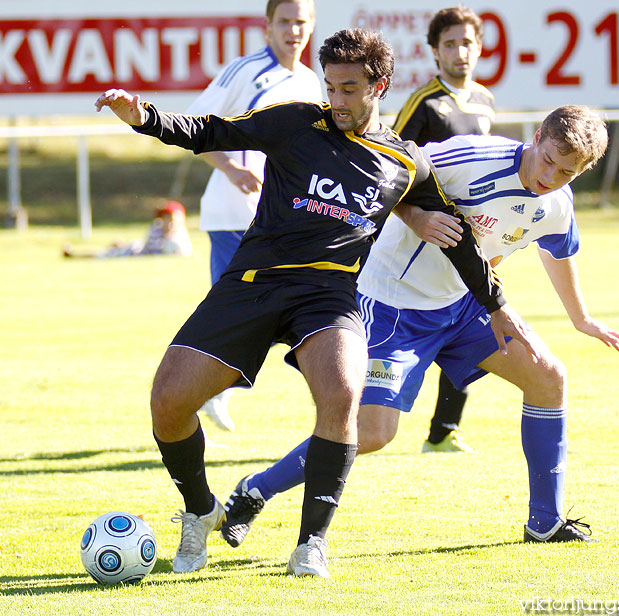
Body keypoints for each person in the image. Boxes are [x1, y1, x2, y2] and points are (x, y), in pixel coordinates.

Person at [95, 28, 536, 578]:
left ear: (381, 85)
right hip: (253, 281)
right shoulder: (296, 120)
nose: (337, 100)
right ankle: (200, 509)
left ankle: (310, 545)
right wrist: (145, 118)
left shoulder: (407, 163)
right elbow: (211, 130)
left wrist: (496, 305)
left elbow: (458, 237)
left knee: (343, 393)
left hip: (327, 295)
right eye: (330, 86)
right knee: (168, 400)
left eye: (349, 88)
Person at [220, 105, 619, 549]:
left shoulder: (556, 203)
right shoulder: (468, 158)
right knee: (374, 433)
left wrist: (581, 318)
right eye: (548, 159)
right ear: (536, 137)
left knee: (549, 377)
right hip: (393, 307)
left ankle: (545, 522)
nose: (551, 176)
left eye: (568, 172)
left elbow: (558, 249)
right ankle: (254, 491)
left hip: (466, 306)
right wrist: (416, 217)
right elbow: (384, 171)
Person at [188, 0, 322, 432]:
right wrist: (230, 167)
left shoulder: (311, 82)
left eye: (301, 21)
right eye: (284, 21)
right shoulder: (244, 71)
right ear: (267, 27)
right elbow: (195, 123)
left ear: (312, 25)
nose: (293, 29)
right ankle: (200, 390)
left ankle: (214, 390)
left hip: (283, 221)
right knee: (238, 314)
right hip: (233, 215)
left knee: (270, 313)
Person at [392, 5, 495, 453]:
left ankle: (442, 432)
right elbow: (391, 163)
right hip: (421, 235)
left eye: (466, 42)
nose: (459, 51)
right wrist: (414, 217)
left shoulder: (486, 100)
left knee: (476, 328)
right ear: (435, 51)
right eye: (449, 43)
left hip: (470, 236)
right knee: (419, 328)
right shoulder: (425, 101)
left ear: (479, 47)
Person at [62, 200, 192, 258]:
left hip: (137, 249)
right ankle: (74, 254)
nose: (170, 222)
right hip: (134, 251)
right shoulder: (155, 228)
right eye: (167, 218)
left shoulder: (180, 235)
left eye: (173, 218)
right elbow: (150, 250)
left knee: (106, 252)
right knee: (102, 254)